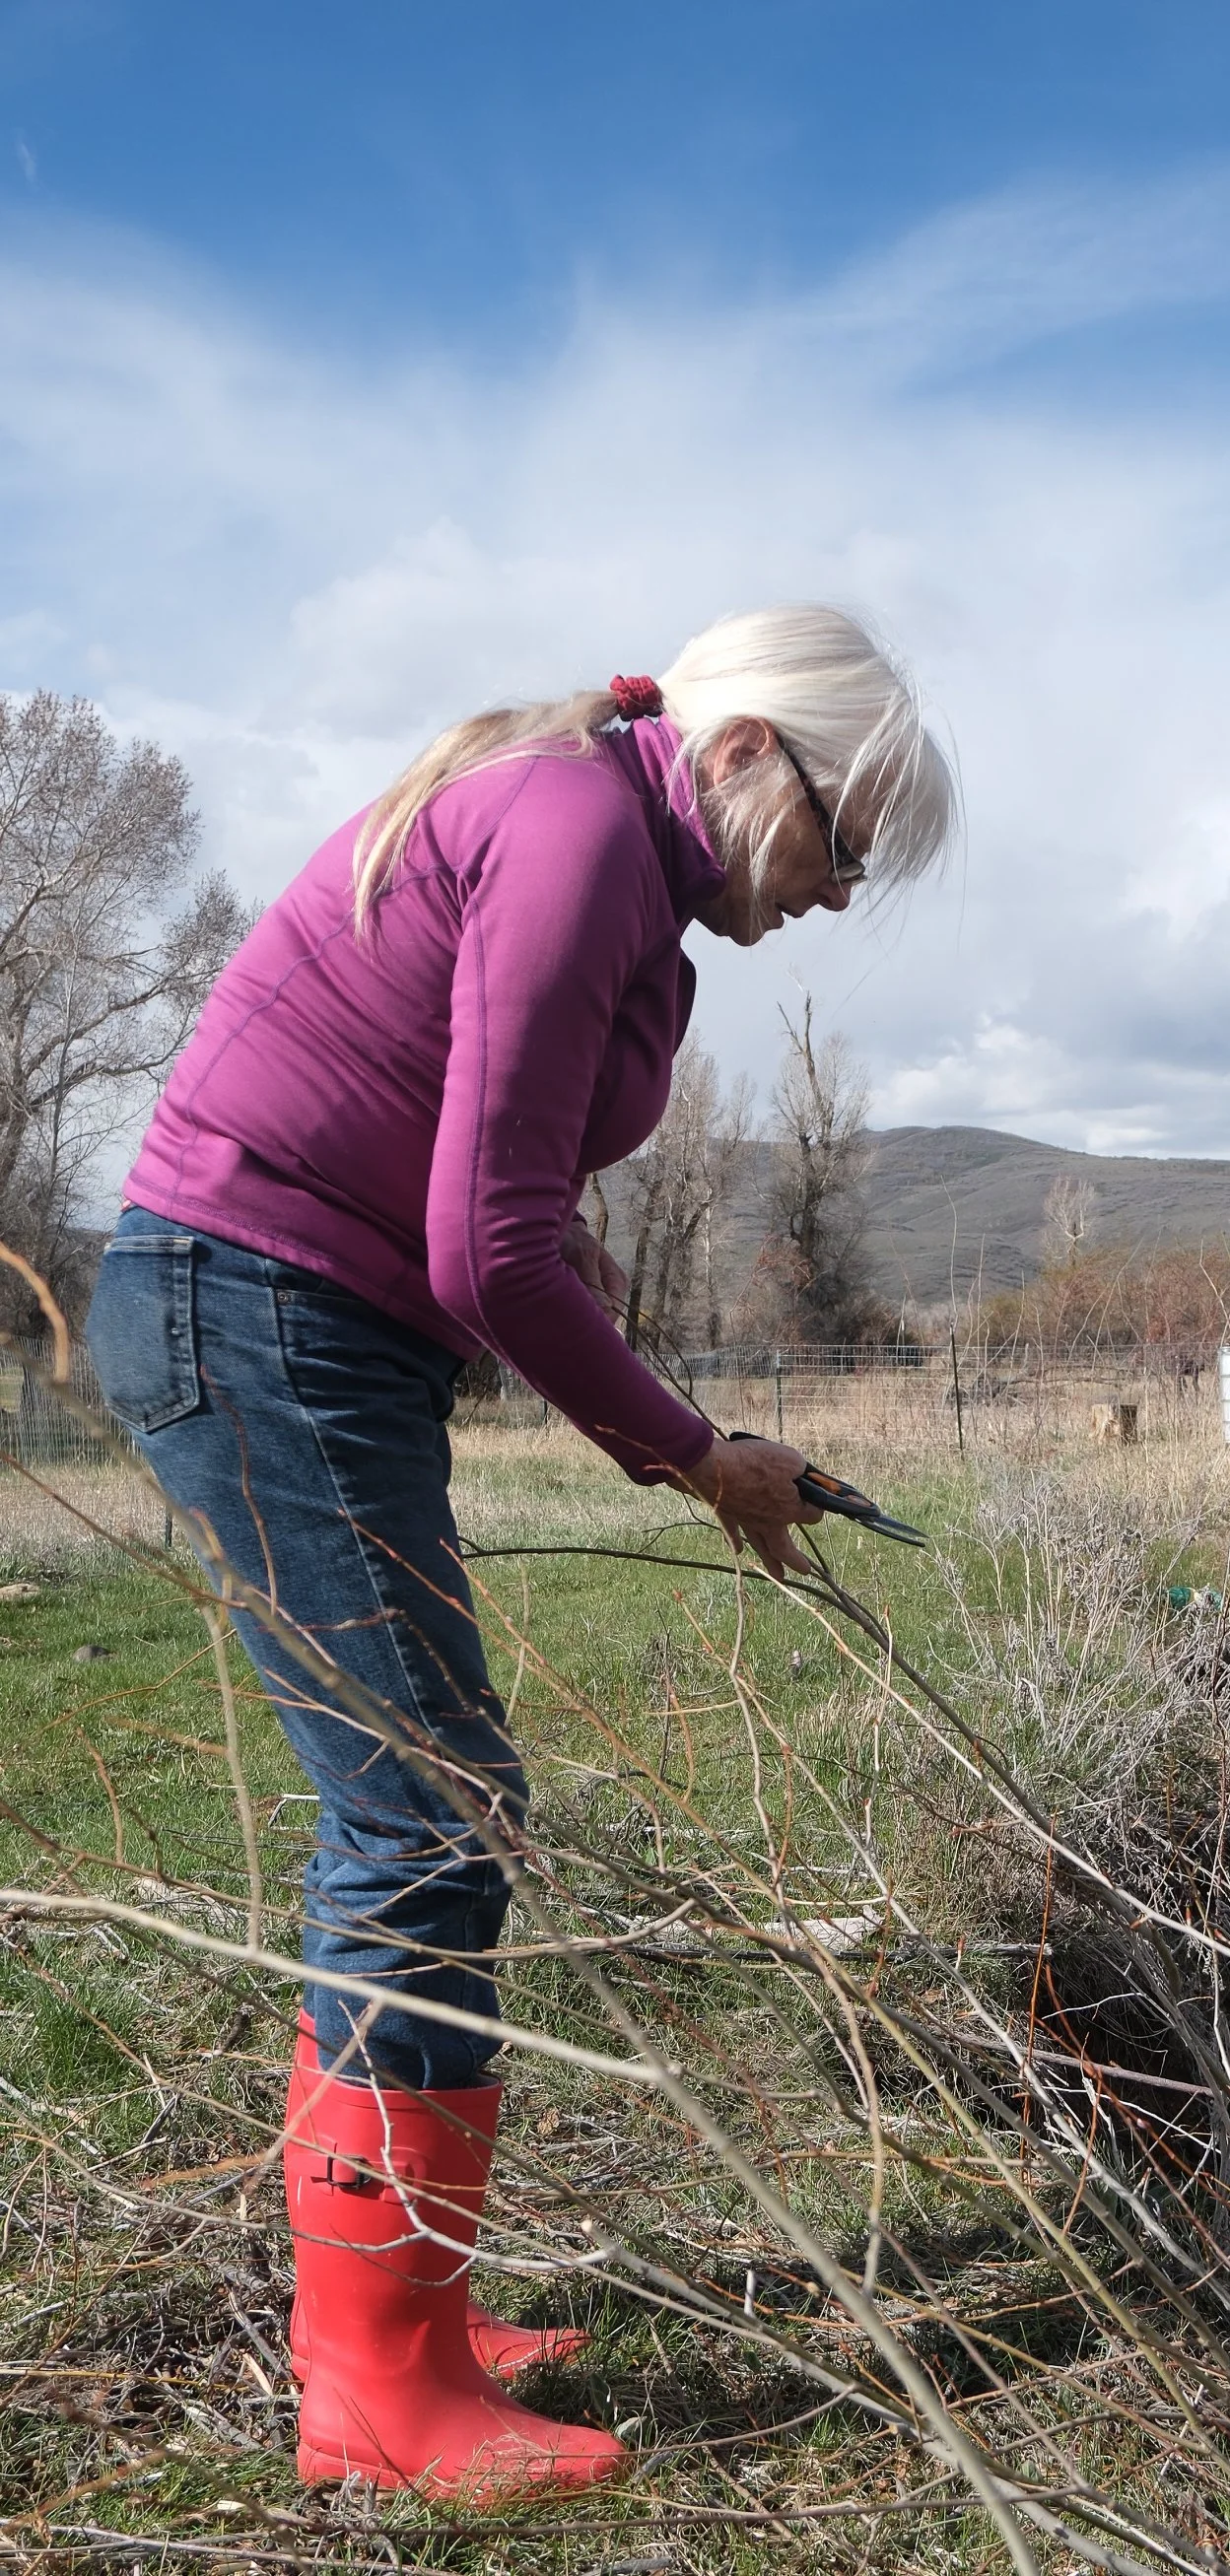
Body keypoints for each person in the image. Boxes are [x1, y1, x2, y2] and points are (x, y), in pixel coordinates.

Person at [83, 606, 957, 2501]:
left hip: (296, 1318)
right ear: (741, 754)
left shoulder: (614, 861)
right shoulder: (573, 833)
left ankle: (401, 2319)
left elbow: (495, 1200)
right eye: (842, 834)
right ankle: (381, 2392)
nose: (841, 886)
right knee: (425, 1816)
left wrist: (637, 1350)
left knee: (425, 1805)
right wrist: (693, 1451)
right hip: (261, 1311)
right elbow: (489, 1249)